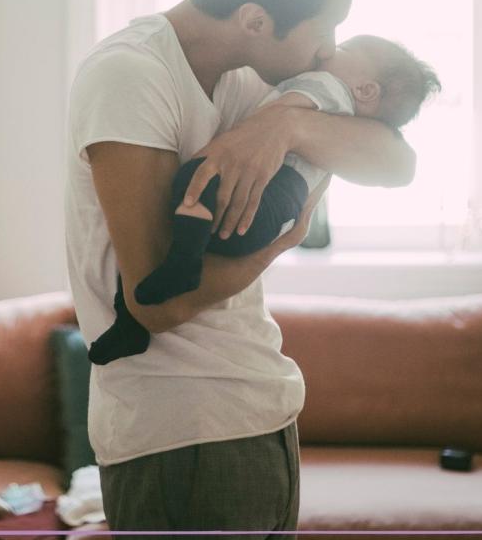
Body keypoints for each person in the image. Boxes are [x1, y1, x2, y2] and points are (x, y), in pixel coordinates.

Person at [63, 0, 417, 540]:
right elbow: (157, 301)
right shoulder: (131, 77)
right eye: (323, 34)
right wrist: (279, 245)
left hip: (265, 412)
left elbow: (398, 164)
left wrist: (285, 127)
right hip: (181, 433)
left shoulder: (266, 81)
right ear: (256, 19)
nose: (331, 53)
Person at [87, 34, 441, 366]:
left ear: (365, 89)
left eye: (345, 47)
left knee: (192, 189)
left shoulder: (326, 87)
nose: (329, 49)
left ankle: (170, 279)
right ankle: (162, 287)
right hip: (278, 208)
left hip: (275, 187)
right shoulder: (343, 123)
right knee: (175, 233)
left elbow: (271, 121)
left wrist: (242, 141)